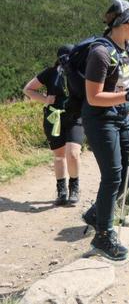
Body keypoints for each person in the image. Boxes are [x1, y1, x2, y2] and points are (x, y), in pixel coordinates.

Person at [82, 0, 129, 261]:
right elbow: (93, 97)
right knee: (113, 176)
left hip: (123, 115)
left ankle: (98, 212)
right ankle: (103, 235)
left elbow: (127, 80)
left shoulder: (128, 47)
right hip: (101, 119)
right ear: (127, 22)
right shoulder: (100, 53)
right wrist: (128, 96)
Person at [23, 45, 84, 206]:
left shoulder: (79, 71)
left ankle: (74, 187)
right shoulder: (50, 73)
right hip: (53, 118)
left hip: (75, 117)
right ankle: (62, 191)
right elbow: (28, 89)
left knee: (73, 154)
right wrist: (45, 99)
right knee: (59, 156)